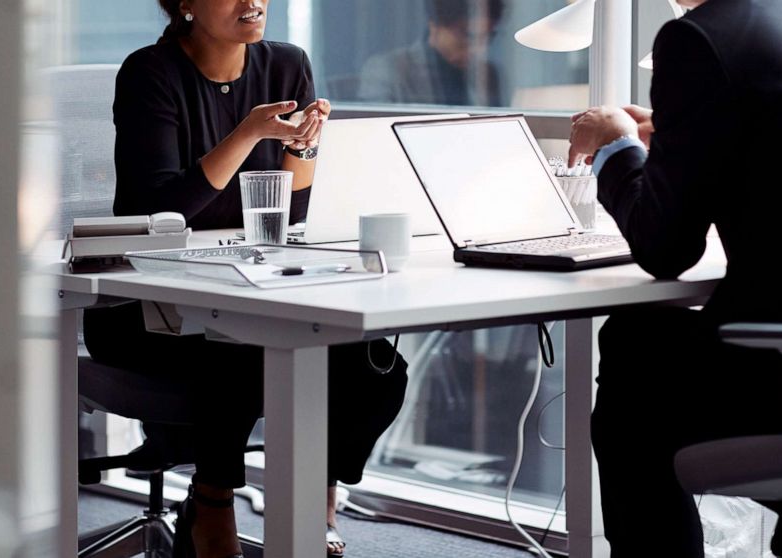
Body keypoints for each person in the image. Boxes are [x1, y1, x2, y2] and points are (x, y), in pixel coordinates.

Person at [81, 2, 409, 557]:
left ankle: (314, 501)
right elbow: (166, 207)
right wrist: (248, 131)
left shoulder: (287, 64)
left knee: (371, 364)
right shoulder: (150, 73)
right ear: (185, 3)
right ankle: (211, 505)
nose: (252, 2)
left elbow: (295, 204)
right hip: (139, 304)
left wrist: (303, 143)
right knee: (240, 345)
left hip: (247, 277)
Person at [567, 0, 782, 556]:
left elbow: (664, 248)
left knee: (635, 346)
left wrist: (614, 147)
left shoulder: (697, 37)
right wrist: (678, 138)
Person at [358, 0, 505, 106]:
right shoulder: (388, 70)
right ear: (434, 25)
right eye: (466, 35)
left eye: (486, 37)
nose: (478, 49)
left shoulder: (488, 75)